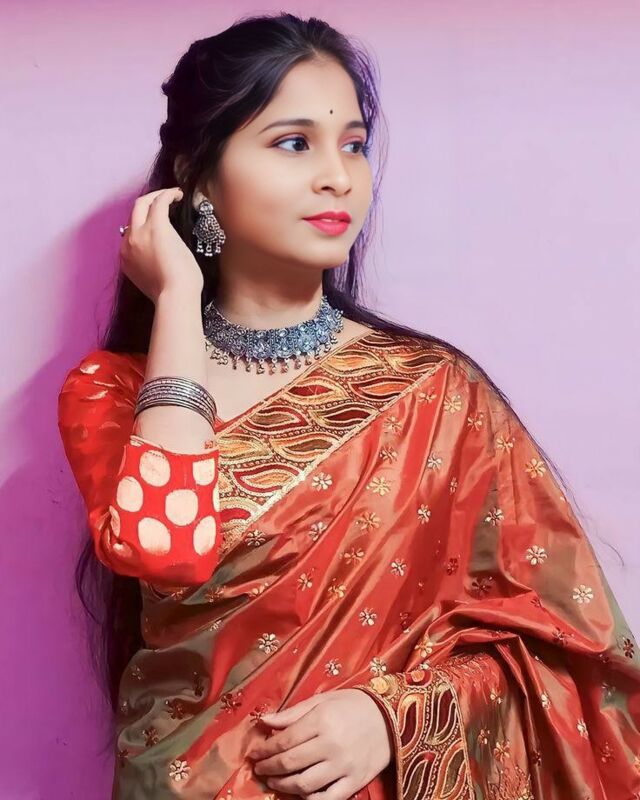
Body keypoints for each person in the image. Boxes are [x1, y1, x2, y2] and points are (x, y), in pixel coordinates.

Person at [57, 12, 640, 800]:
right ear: (198, 174)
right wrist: (178, 302)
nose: (339, 176)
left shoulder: (436, 391)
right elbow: (168, 547)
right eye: (294, 142)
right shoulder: (113, 391)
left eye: (355, 144)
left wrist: (391, 716)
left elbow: (571, 653)